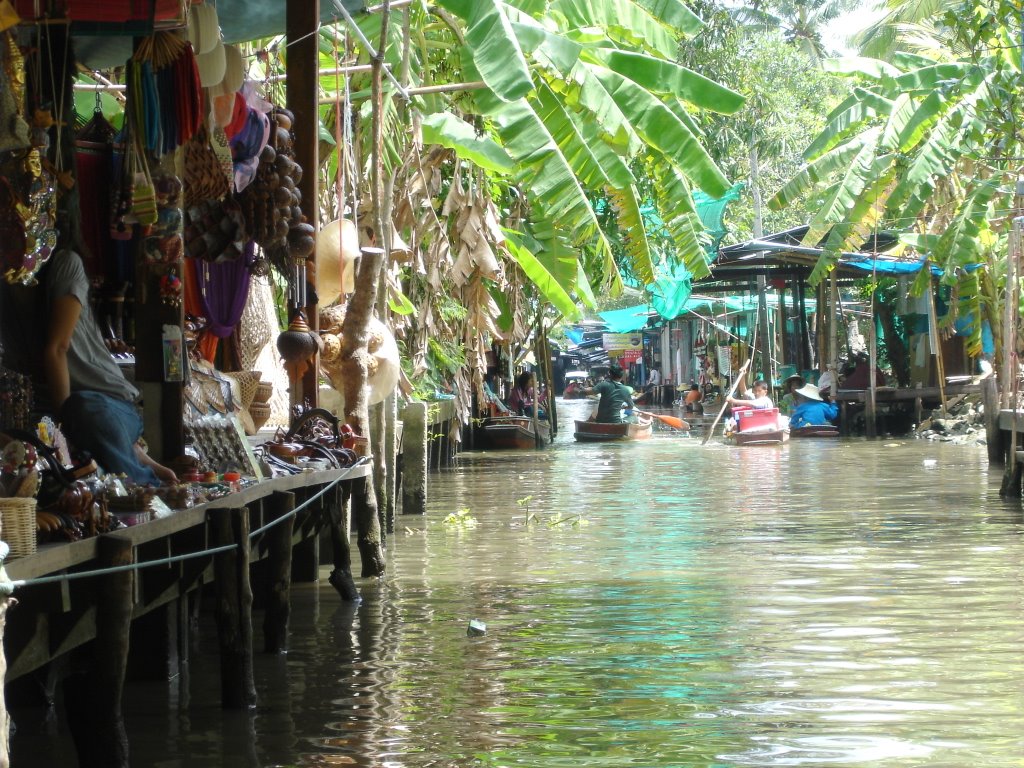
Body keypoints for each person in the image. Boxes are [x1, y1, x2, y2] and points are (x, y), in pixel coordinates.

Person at [1, 249, 177, 485]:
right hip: (46, 409)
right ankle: (134, 458)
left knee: (82, 409)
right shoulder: (5, 281)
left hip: (103, 402)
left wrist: (65, 431)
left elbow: (57, 349)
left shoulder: (63, 263)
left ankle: (146, 486)